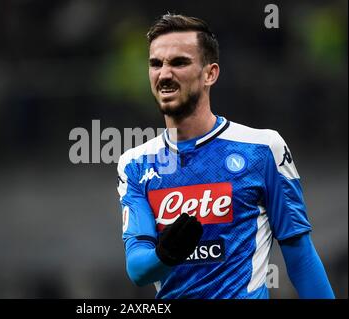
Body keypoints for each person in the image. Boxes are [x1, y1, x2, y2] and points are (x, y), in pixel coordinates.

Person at [116, 13, 335, 299]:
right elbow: (138, 270)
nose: (164, 74)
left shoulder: (263, 149)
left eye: (179, 62)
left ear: (210, 73)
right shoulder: (135, 163)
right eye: (156, 64)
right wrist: (165, 254)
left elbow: (301, 257)